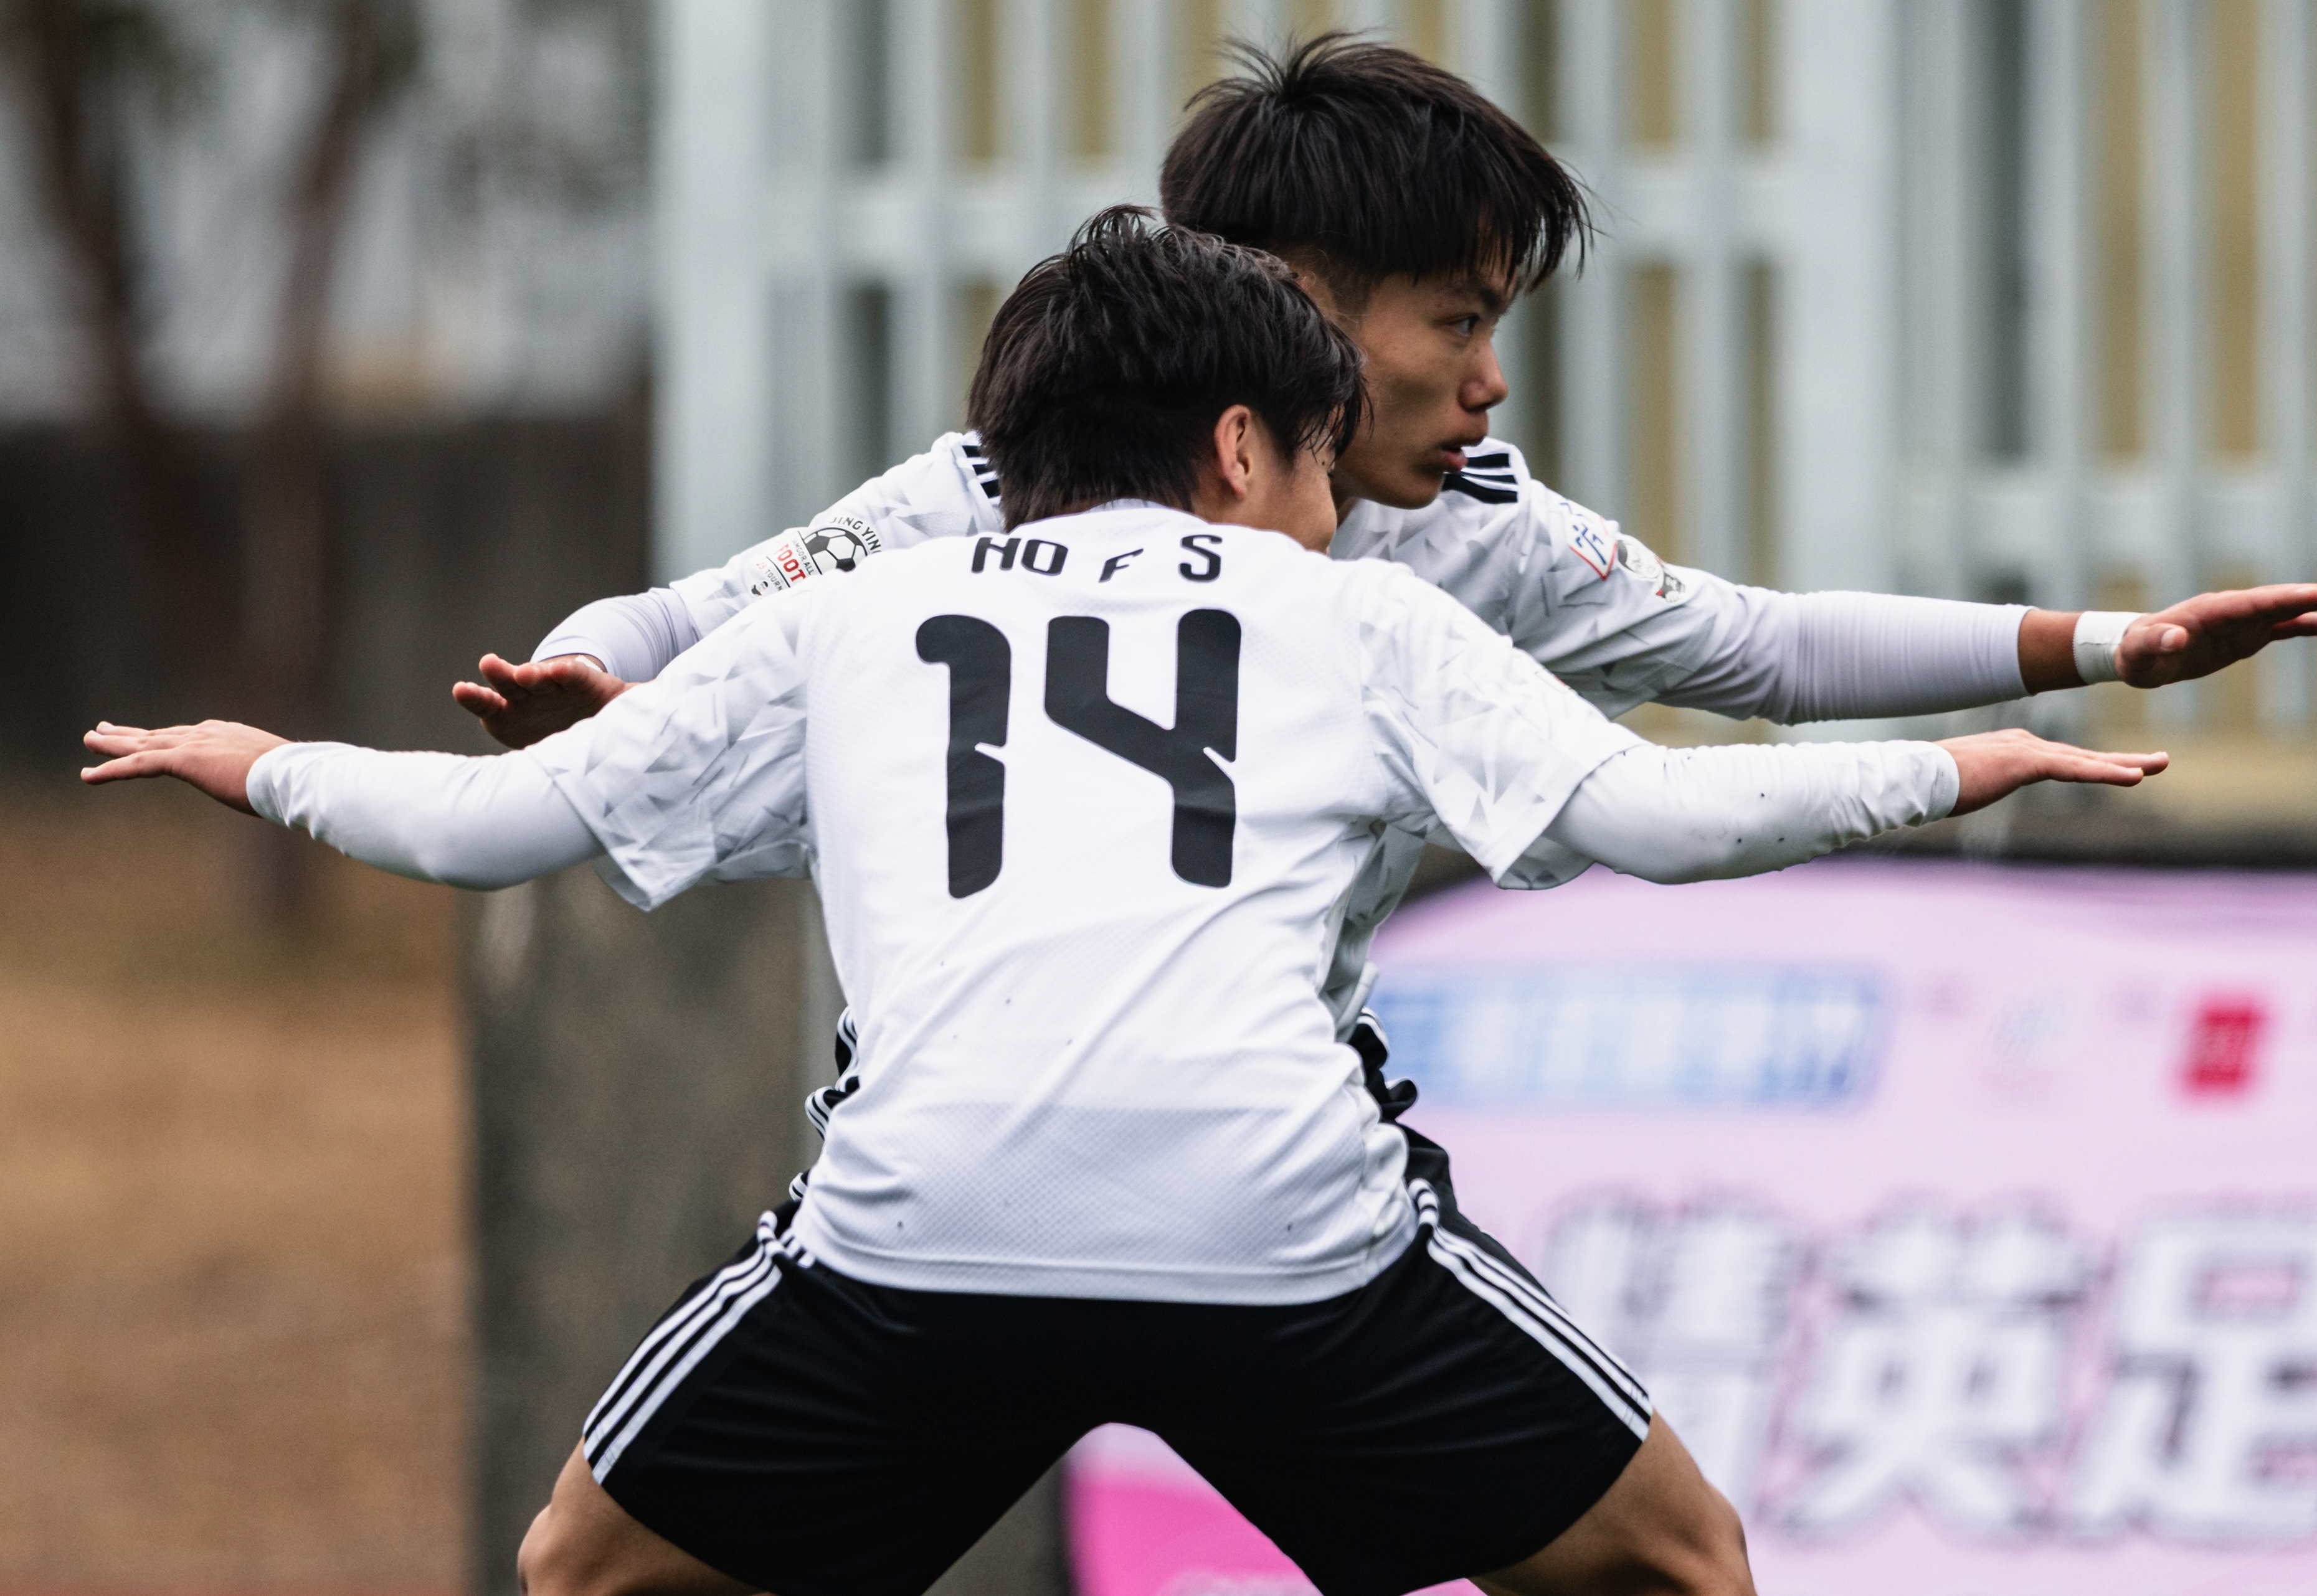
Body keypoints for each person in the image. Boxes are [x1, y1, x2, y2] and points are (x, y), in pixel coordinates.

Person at [87, 214, 2168, 1596]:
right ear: (1243, 445)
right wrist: (1958, 769)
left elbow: (490, 829)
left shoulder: (857, 607)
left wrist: (257, 761)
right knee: (1675, 1558)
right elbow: (1657, 814)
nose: (1340, 505)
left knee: (584, 1566)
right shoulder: (1352, 614)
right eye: (1327, 462)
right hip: (1282, 1232)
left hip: (924, 1236)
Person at [455, 32, 2317, 1126]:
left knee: (1655, 1548)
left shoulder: (1468, 536)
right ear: (1292, 315)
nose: (1492, 379)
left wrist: (2112, 641)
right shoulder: (977, 502)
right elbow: (671, 628)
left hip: (1266, 1158)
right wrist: (578, 681)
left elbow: (1757, 646)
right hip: (975, 1146)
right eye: (1459, 321)